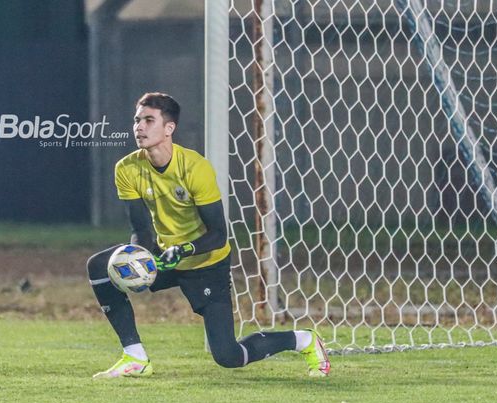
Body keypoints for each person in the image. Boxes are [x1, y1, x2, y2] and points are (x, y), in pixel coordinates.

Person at [87, 92, 330, 379]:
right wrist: (140, 255)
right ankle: (135, 356)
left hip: (206, 262)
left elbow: (219, 235)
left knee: (228, 356)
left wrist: (184, 249)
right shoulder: (127, 168)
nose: (139, 127)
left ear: (169, 128)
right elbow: (141, 229)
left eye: (149, 120)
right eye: (137, 120)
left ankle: (303, 340)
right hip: (166, 256)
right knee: (99, 266)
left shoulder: (195, 168)